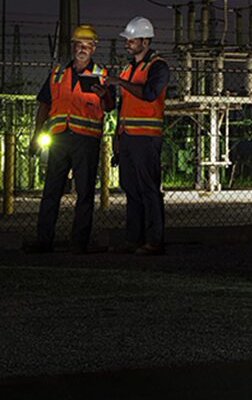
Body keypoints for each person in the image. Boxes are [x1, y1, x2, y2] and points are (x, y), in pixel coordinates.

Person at [26, 23, 115, 254]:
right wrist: (37, 134)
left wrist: (104, 94)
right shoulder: (57, 74)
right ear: (73, 46)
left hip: (86, 140)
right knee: (51, 190)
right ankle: (44, 241)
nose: (82, 49)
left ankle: (79, 243)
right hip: (59, 139)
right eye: (79, 44)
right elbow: (44, 104)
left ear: (94, 48)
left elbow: (110, 107)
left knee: (84, 193)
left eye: (87, 45)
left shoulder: (102, 75)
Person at [102, 16, 170, 255]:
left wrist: (119, 81)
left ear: (146, 41)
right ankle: (134, 239)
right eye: (128, 39)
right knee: (130, 187)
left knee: (149, 188)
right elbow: (124, 106)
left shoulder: (158, 66)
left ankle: (155, 241)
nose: (128, 43)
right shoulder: (129, 68)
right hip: (129, 136)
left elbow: (150, 94)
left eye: (132, 39)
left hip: (147, 136)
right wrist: (117, 135)